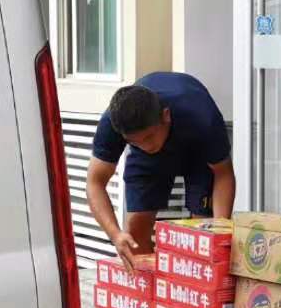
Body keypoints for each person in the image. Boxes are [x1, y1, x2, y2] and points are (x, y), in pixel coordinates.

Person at [87, 73, 236, 269]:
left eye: (148, 137)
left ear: (166, 116)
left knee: (203, 234)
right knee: (134, 235)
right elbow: (95, 183)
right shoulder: (112, 122)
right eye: (133, 142)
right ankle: (150, 286)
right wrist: (115, 235)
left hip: (197, 151)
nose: (145, 145)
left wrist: (220, 231)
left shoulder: (202, 117)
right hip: (149, 159)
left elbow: (223, 174)